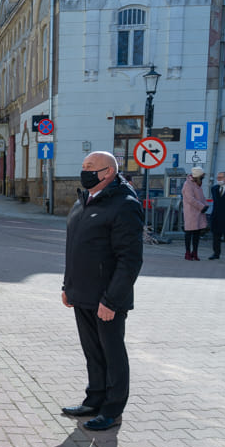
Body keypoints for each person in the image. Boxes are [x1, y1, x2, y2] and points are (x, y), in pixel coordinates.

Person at [61, 151, 143, 431]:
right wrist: (67, 286)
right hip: (81, 294)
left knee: (112, 354)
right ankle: (94, 400)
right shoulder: (82, 202)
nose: (84, 171)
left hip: (108, 299)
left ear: (108, 172)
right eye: (83, 166)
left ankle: (112, 410)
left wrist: (111, 299)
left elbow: (129, 259)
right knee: (92, 352)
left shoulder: (124, 204)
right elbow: (74, 250)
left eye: (91, 167)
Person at [182, 166, 209, 260]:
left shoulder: (198, 183)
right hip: (191, 212)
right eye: (202, 175)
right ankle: (188, 252)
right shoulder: (188, 184)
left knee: (197, 233)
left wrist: (205, 205)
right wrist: (202, 206)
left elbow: (201, 196)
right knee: (189, 233)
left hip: (199, 211)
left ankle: (195, 252)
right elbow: (190, 198)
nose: (203, 176)